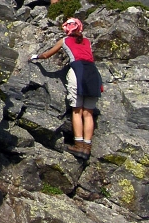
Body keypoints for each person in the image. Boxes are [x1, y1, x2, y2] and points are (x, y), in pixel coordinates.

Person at [30, 17, 102, 159]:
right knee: (88, 113)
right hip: (93, 74)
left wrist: (35, 57)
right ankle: (87, 148)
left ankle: (78, 145)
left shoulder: (65, 41)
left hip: (77, 73)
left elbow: (47, 54)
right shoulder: (87, 41)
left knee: (77, 111)